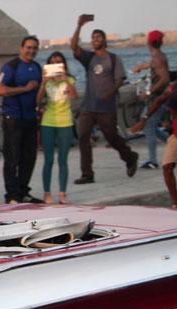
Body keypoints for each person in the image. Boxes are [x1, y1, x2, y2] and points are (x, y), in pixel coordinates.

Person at [71, 14, 139, 184]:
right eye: (93, 37)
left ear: (104, 40)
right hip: (88, 106)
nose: (95, 40)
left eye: (98, 36)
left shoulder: (113, 58)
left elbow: (119, 79)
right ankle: (87, 174)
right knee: (83, 136)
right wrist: (79, 26)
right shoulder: (89, 58)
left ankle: (130, 157)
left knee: (112, 137)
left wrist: (110, 92)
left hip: (106, 107)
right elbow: (74, 47)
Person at [0, 35, 42, 204]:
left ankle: (23, 191)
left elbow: (41, 91)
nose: (31, 51)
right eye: (28, 47)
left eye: (35, 48)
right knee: (12, 157)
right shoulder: (11, 66)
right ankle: (12, 195)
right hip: (13, 118)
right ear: (21, 48)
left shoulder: (37, 67)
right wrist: (24, 89)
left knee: (29, 158)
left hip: (31, 118)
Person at [36, 52, 78, 204]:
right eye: (53, 63)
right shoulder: (47, 82)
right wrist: (43, 82)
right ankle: (47, 193)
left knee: (63, 160)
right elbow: (38, 99)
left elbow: (75, 96)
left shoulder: (70, 79)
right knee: (48, 159)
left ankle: (62, 193)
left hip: (65, 122)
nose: (56, 66)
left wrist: (65, 79)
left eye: (59, 63)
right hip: (48, 122)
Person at [130, 81, 177, 209]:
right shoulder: (173, 88)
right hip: (175, 136)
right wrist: (144, 120)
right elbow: (159, 100)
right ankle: (175, 203)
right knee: (167, 167)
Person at [131, 30, 171, 170]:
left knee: (149, 128)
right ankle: (173, 144)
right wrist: (140, 67)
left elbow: (165, 78)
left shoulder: (157, 58)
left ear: (149, 42)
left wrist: (148, 92)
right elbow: (153, 64)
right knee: (153, 128)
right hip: (159, 97)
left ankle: (153, 161)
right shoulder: (159, 56)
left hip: (157, 98)